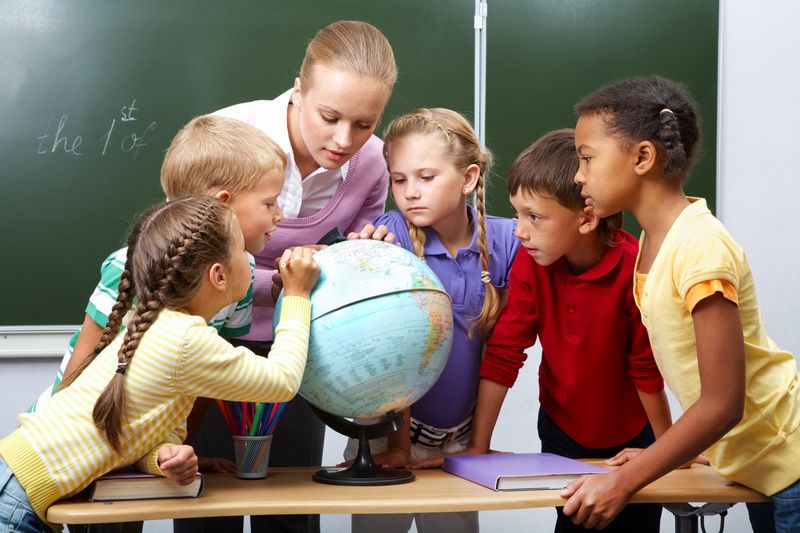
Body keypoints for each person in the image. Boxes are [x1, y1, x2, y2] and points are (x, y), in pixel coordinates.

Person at [25, 115, 286, 533]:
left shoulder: (240, 278)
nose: (280, 215)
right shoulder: (130, 266)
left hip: (134, 446)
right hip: (76, 440)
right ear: (224, 205)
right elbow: (82, 364)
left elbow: (199, 384)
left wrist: (180, 448)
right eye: (270, 203)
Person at [0, 196, 319, 533]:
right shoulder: (185, 339)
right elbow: (282, 382)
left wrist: (162, 458)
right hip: (17, 497)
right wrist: (298, 295)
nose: (251, 260)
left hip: (17, 484)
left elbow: (128, 433)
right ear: (219, 276)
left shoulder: (161, 328)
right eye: (243, 251)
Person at [565, 76, 800, 532]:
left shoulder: (699, 246)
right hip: (762, 468)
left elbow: (722, 403)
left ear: (643, 158)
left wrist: (628, 480)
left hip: (788, 463)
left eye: (587, 158)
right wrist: (672, 450)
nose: (579, 175)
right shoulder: (658, 242)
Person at [195, 19, 397, 533]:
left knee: (290, 505)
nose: (344, 139)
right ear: (298, 89)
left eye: (365, 123)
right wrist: (282, 284)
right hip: (211, 343)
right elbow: (189, 263)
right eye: (329, 116)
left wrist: (363, 260)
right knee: (204, 504)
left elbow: (342, 255)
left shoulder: (373, 162)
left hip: (301, 342)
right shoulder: (227, 139)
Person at [464, 129, 669, 532]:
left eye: (534, 217)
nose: (519, 231)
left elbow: (645, 368)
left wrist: (667, 450)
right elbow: (504, 353)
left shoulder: (634, 269)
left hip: (632, 436)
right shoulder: (531, 262)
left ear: (587, 218)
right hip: (562, 431)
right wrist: (477, 447)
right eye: (517, 213)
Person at [343, 108, 519, 533]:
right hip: (388, 435)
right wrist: (401, 446)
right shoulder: (391, 237)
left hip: (458, 442)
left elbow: (505, 350)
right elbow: (393, 351)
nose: (410, 193)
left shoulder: (507, 240)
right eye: (399, 180)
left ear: (469, 178)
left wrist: (477, 446)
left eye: (426, 177)